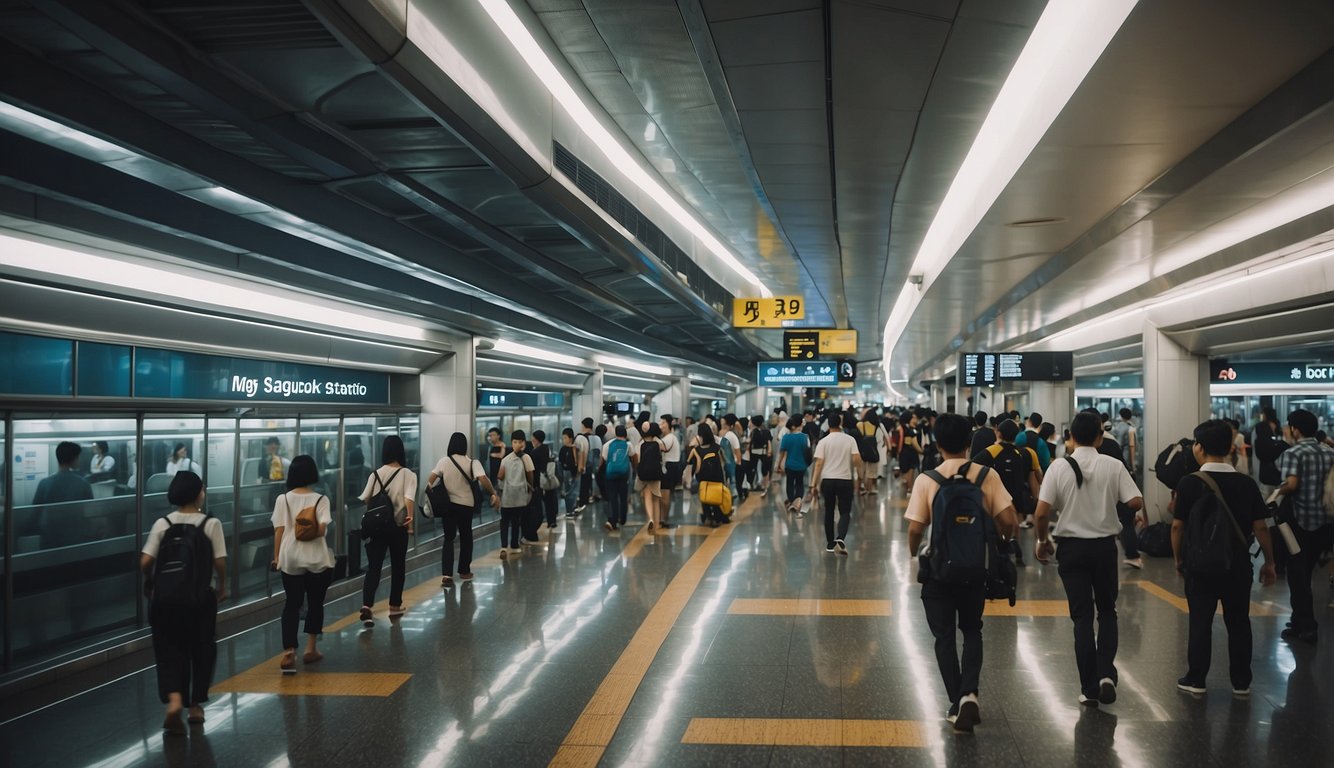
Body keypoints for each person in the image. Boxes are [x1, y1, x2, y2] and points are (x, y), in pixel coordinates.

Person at [905, 413, 1018, 732]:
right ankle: (970, 692)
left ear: (937, 443)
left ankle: (958, 700)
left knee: (943, 636)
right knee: (972, 630)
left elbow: (915, 529)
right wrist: (1001, 546)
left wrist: (914, 555)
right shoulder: (987, 475)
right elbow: (1009, 520)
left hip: (940, 570)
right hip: (975, 569)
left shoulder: (928, 479)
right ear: (970, 442)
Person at [1033, 412, 1143, 707]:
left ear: (1070, 437)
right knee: (1107, 611)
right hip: (1105, 548)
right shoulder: (1113, 465)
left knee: (1081, 617)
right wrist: (1113, 513)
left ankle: (1089, 687)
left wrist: (1043, 541)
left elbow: (1042, 512)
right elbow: (1136, 501)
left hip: (1071, 548)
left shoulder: (1058, 467)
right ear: (1099, 436)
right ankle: (1107, 673)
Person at [1170, 419, 1277, 695]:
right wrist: (1270, 562)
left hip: (1200, 565)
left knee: (1200, 620)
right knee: (1239, 621)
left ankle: (1196, 679)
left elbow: (1177, 526)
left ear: (1200, 448)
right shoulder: (1246, 483)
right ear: (1230, 447)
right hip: (1238, 564)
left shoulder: (1189, 483)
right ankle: (1241, 682)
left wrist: (1178, 559)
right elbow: (1261, 526)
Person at [140, 471, 226, 733]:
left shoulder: (162, 523)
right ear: (199, 493)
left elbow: (145, 561)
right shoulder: (210, 523)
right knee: (201, 648)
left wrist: (151, 582)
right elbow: (220, 561)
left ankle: (175, 700)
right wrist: (223, 585)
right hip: (199, 599)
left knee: (169, 650)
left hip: (164, 601)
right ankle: (196, 706)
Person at [1273, 408, 1334, 643]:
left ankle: (1306, 626)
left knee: (1298, 575)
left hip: (1300, 522)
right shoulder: (1328, 452)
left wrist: (1277, 491)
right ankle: (1299, 620)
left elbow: (1292, 484)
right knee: (1306, 572)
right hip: (1326, 523)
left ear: (1295, 430)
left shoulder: (1294, 452)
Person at [269, 455, 333, 673]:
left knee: (292, 604)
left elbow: (278, 530)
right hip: (316, 557)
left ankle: (289, 652)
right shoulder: (321, 500)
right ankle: (310, 649)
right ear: (313, 473)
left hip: (290, 558)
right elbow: (323, 529)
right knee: (315, 602)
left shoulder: (282, 500)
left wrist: (277, 557)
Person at [358, 436, 416, 627]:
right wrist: (409, 520)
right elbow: (409, 499)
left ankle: (367, 605)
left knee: (374, 566)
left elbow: (366, 499)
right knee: (398, 566)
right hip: (398, 526)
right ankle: (394, 606)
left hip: (376, 528)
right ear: (401, 451)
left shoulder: (375, 474)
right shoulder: (408, 474)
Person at [427, 433, 498, 587]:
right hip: (466, 505)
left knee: (449, 538)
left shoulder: (444, 462)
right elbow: (483, 480)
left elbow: (429, 482)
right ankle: (464, 571)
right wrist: (493, 493)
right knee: (466, 537)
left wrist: (435, 496)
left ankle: (447, 575)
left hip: (448, 506)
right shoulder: (472, 463)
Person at [974, 420, 1041, 563]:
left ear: (998, 432)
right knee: (1016, 520)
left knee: (1001, 523)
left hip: (999, 492)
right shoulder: (1020, 452)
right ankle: (1016, 547)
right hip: (1017, 491)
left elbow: (974, 464)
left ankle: (1003, 547)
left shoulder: (994, 450)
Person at [807, 412, 861, 555]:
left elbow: (818, 464)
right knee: (845, 512)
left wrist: (813, 485)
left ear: (828, 424)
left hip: (828, 481)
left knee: (829, 511)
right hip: (845, 480)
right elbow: (856, 459)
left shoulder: (823, 442)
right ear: (840, 424)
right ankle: (841, 538)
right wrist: (859, 476)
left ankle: (830, 544)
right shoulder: (850, 440)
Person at [497, 430, 535, 557]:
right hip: (520, 495)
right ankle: (514, 545)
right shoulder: (526, 458)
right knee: (515, 521)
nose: (517, 444)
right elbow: (530, 475)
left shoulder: (505, 459)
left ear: (523, 443)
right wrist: (530, 487)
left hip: (507, 496)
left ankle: (503, 547)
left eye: (519, 442)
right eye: (515, 442)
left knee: (504, 521)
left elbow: (500, 476)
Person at [688, 423, 727, 527]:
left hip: (703, 479)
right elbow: (723, 463)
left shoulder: (697, 450)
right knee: (716, 499)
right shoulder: (717, 448)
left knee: (705, 498)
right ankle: (718, 518)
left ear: (701, 436)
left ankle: (708, 518)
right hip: (717, 478)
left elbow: (696, 468)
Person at [601, 425, 634, 531]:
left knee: (613, 497)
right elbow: (634, 457)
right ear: (625, 434)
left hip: (610, 474)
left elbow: (604, 459)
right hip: (624, 474)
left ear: (616, 434)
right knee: (623, 497)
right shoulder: (628, 444)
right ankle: (622, 518)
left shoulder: (607, 445)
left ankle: (613, 520)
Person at [776, 417, 811, 512]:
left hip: (789, 465)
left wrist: (778, 465)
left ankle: (792, 502)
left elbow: (782, 453)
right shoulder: (805, 437)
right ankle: (798, 500)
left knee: (790, 484)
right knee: (800, 484)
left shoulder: (786, 437)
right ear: (798, 425)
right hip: (802, 465)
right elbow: (808, 451)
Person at [530, 430, 560, 531]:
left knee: (543, 501)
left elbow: (533, 467)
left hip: (540, 479)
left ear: (536, 439)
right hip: (549, 477)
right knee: (551, 499)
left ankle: (545, 519)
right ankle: (552, 520)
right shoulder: (547, 449)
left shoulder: (535, 452)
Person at [898, 411, 922, 493]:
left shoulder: (900, 427)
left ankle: (907, 488)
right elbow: (914, 443)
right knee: (910, 472)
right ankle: (910, 489)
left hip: (902, 452)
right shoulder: (910, 430)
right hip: (910, 452)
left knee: (905, 471)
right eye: (912, 417)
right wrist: (921, 451)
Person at [559, 428, 580, 518]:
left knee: (573, 492)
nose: (563, 440)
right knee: (568, 492)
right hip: (566, 472)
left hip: (573, 472)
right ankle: (569, 510)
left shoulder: (575, 449)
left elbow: (576, 461)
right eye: (563, 438)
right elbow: (561, 461)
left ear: (570, 438)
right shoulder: (563, 449)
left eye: (565, 438)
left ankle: (572, 509)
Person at [1111, 408, 1138, 474]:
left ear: (1121, 415)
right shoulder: (1131, 426)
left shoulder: (1121, 427)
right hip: (1130, 455)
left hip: (1124, 457)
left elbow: (1119, 444)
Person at [660, 415, 682, 495]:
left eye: (663, 423)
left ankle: (667, 507)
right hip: (672, 466)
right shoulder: (670, 437)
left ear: (669, 424)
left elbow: (662, 448)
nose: (661, 425)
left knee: (666, 492)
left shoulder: (669, 438)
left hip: (670, 466)